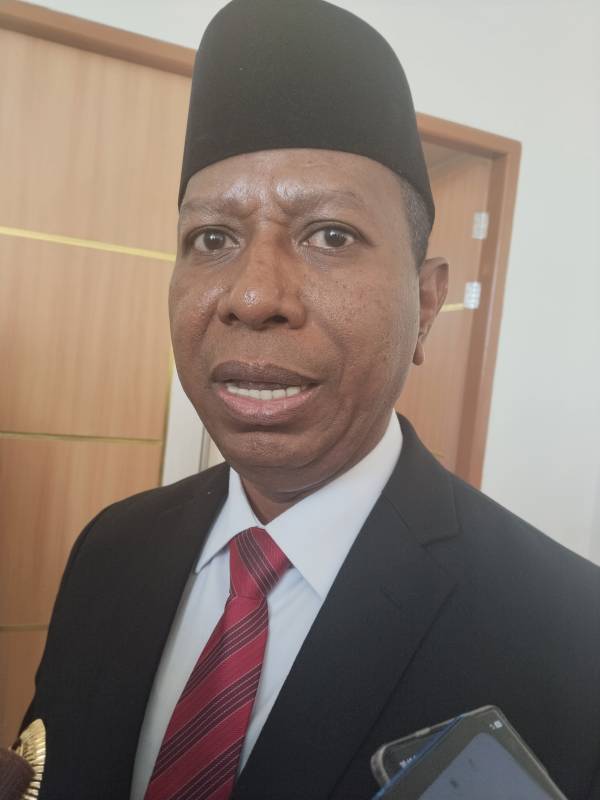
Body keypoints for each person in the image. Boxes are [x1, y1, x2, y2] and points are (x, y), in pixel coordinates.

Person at [21, 1, 600, 799]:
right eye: (212, 239)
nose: (253, 295)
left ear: (428, 303)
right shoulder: (111, 550)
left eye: (330, 234)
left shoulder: (570, 634)